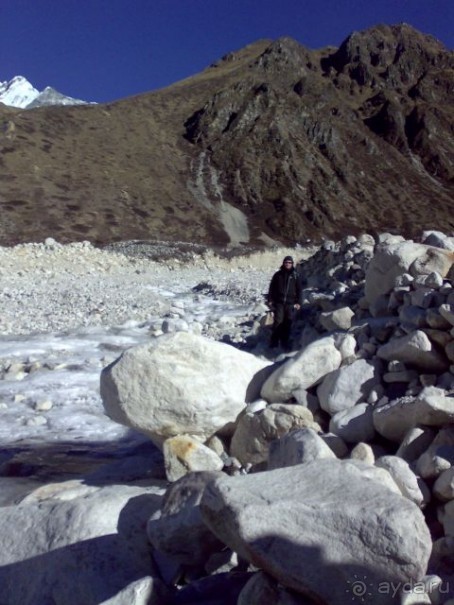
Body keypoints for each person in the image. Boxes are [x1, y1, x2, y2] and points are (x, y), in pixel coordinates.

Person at [267, 255, 301, 349]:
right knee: (278, 321)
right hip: (279, 302)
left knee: (287, 323)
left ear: (292, 264)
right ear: (283, 263)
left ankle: (284, 342)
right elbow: (272, 288)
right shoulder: (278, 275)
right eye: (286, 262)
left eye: (289, 262)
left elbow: (299, 290)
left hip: (290, 303)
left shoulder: (295, 276)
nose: (288, 264)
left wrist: (299, 302)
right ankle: (274, 342)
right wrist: (270, 300)